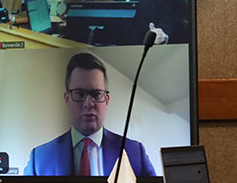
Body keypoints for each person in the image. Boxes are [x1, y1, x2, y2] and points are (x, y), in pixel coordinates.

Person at [23, 52, 156, 176]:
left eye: (96, 94)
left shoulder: (134, 153)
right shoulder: (39, 159)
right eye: (79, 94)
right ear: (67, 99)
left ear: (107, 100)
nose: (88, 103)